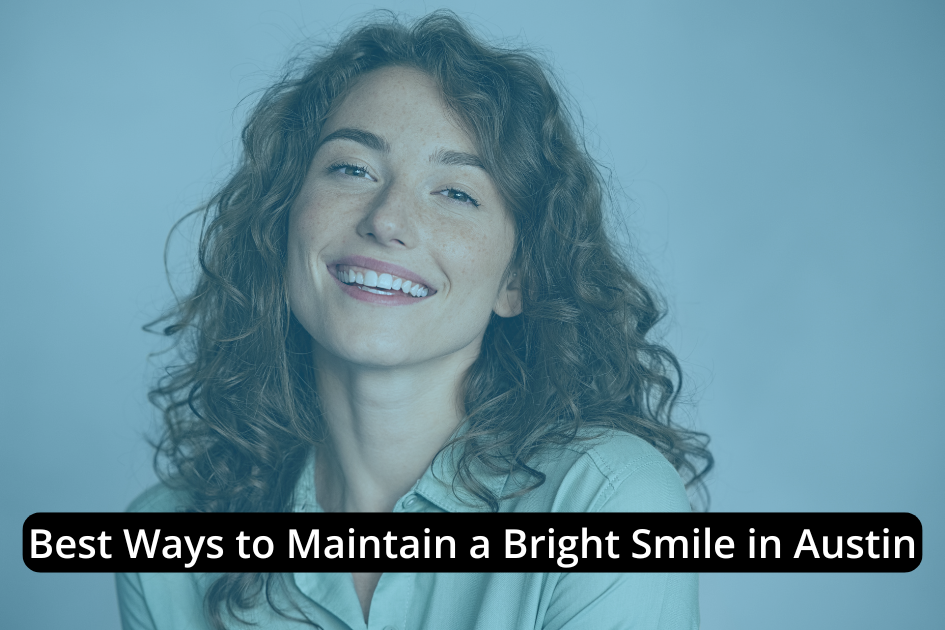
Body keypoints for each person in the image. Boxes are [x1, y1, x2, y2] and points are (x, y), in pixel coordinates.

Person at [117, 10, 712, 630]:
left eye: (456, 192)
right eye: (352, 169)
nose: (387, 220)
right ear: (280, 223)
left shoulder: (606, 503)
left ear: (517, 281)